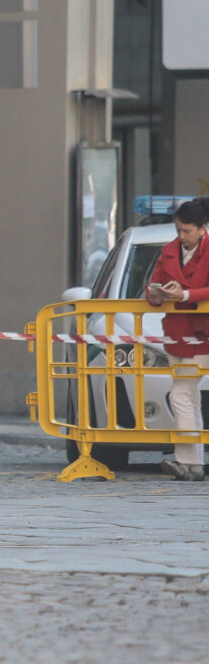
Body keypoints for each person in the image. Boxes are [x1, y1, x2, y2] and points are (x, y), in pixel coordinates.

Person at [146, 196, 209, 480]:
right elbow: (154, 280)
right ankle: (195, 465)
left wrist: (183, 295)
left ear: (201, 228)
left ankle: (186, 461)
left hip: (201, 332)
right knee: (189, 397)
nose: (182, 236)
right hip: (174, 331)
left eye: (187, 230)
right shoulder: (170, 250)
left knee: (181, 393)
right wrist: (155, 294)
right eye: (179, 230)